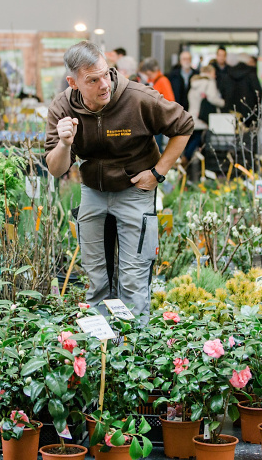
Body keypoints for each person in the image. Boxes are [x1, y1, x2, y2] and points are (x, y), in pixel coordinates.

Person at [45, 41, 193, 322]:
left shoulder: (137, 97)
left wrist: (158, 173)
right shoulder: (63, 106)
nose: (104, 85)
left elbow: (184, 125)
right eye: (92, 79)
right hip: (93, 192)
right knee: (95, 277)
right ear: (73, 82)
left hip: (135, 191)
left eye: (105, 74)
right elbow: (55, 168)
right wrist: (65, 144)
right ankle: (99, 350)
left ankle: (135, 351)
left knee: (133, 278)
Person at [185, 64, 225, 164]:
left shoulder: (194, 82)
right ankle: (186, 160)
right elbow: (212, 98)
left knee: (193, 138)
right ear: (209, 73)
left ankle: (186, 160)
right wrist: (223, 103)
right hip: (202, 117)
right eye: (213, 73)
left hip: (192, 115)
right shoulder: (209, 82)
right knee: (199, 139)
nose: (215, 76)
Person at [139, 57, 176, 152]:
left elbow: (170, 101)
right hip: (155, 119)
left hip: (159, 119)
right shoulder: (156, 81)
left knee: (157, 148)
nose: (148, 76)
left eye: (148, 74)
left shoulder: (162, 81)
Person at [229, 53, 262, 126]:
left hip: (233, 111)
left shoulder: (229, 73)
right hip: (250, 111)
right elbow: (258, 92)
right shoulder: (251, 73)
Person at [209, 46, 235, 113]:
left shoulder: (230, 70)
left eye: (223, 55)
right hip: (214, 102)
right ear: (216, 56)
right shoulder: (211, 69)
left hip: (227, 102)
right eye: (220, 55)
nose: (221, 57)